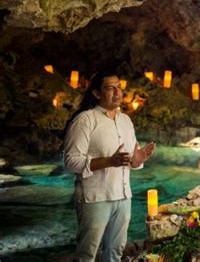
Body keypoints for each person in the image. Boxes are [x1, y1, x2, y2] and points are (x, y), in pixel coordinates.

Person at [63, 70, 156, 262]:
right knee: (87, 253)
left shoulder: (125, 120)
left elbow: (128, 161)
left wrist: (136, 161)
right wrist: (108, 161)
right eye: (110, 88)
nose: (117, 92)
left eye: (119, 87)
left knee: (115, 251)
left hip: (123, 196)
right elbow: (71, 161)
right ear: (97, 93)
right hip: (94, 197)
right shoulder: (85, 120)